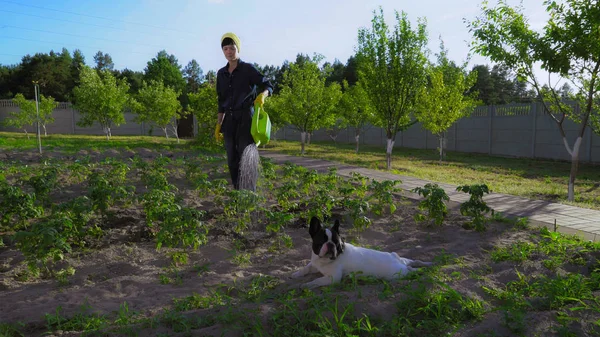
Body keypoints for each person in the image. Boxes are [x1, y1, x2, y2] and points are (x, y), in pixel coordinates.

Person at [215, 32, 274, 190]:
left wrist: (263, 95)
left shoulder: (248, 69)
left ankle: (250, 193)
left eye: (232, 48)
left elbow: (268, 85)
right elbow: (221, 101)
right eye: (225, 49)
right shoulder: (221, 74)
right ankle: (237, 192)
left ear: (237, 48)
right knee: (232, 160)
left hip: (246, 119)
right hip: (229, 121)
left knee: (246, 157)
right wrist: (219, 124)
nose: (229, 51)